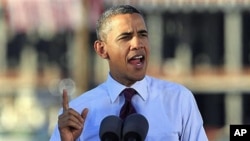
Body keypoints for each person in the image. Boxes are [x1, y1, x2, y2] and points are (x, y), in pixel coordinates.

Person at [50, 5, 208, 141]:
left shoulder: (178, 100)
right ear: (102, 49)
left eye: (143, 35)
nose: (137, 44)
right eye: (126, 37)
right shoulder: (77, 112)